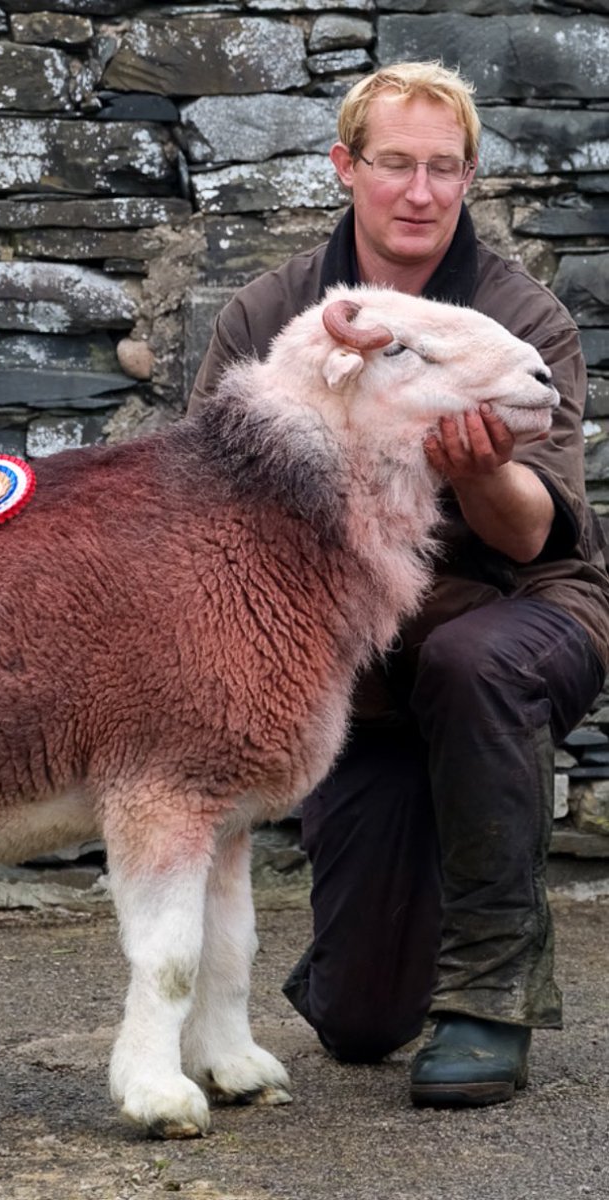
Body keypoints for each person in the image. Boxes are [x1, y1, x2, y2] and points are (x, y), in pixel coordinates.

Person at [188, 60, 609, 1108]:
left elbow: (529, 538)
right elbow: (206, 510)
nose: (417, 192)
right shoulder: (271, 313)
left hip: (517, 614)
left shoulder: (518, 317)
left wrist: (474, 472)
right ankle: (395, 909)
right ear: (344, 168)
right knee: (358, 1024)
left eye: (441, 168)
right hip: (358, 672)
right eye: (392, 164)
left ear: (466, 175)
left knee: (473, 667)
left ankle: (486, 999)